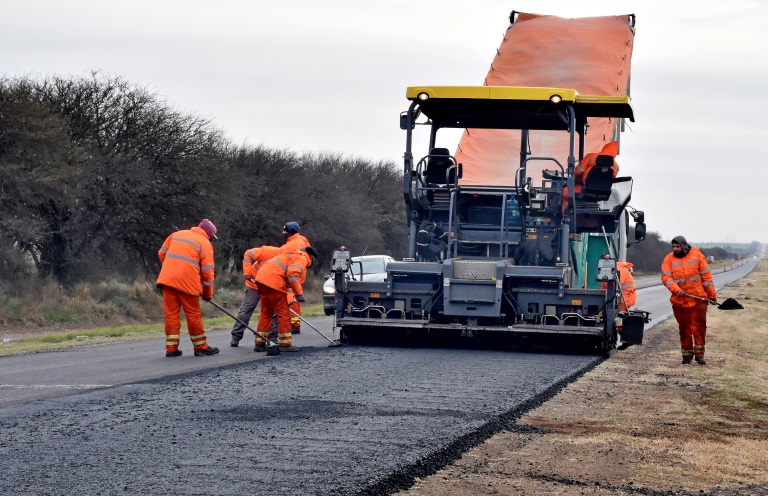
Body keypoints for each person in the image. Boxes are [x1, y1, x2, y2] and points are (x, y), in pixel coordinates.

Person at [156, 219, 220, 357]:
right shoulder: (205, 244)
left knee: (171, 314)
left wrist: (173, 269)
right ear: (209, 234)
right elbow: (208, 273)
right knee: (193, 314)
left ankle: (171, 349)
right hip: (188, 284)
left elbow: (161, 254)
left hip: (168, 281)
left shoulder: (176, 234)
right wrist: (208, 294)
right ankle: (200, 347)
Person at [661, 236, 717, 365]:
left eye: (677, 247)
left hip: (699, 299)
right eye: (673, 247)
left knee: (699, 327)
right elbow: (666, 277)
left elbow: (706, 278)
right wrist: (676, 289)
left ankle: (700, 355)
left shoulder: (697, 256)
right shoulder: (668, 259)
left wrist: (712, 296)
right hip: (679, 301)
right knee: (684, 328)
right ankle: (686, 356)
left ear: (684, 246)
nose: (675, 249)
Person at [254, 246, 319, 352]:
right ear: (311, 257)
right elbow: (292, 274)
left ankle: (259, 343)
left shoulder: (290, 255)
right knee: (283, 313)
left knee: (266, 313)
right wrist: (299, 294)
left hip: (261, 279)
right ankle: (285, 344)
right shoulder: (302, 258)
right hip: (273, 282)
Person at [229, 245, 282, 347]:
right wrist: (247, 272)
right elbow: (248, 253)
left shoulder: (289, 263)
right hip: (254, 284)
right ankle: (236, 336)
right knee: (246, 309)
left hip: (271, 287)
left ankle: (272, 336)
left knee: (273, 311)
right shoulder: (269, 251)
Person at [281, 222, 312, 334]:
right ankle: (295, 323)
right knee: (294, 298)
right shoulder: (302, 239)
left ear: (290, 232)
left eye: (285, 231)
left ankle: (294, 324)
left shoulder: (291, 245)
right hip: (299, 272)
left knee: (291, 298)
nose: (283, 233)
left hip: (293, 274)